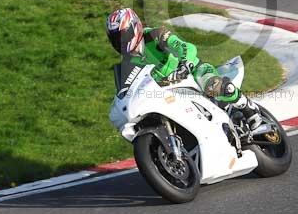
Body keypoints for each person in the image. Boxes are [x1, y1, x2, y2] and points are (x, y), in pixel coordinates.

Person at [106, 7, 263, 129]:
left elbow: (186, 47)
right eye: (115, 38)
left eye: (122, 36)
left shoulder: (155, 35)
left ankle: (248, 107)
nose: (120, 42)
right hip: (165, 91)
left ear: (134, 28)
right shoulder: (128, 62)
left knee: (212, 85)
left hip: (191, 73)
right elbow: (128, 89)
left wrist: (185, 63)